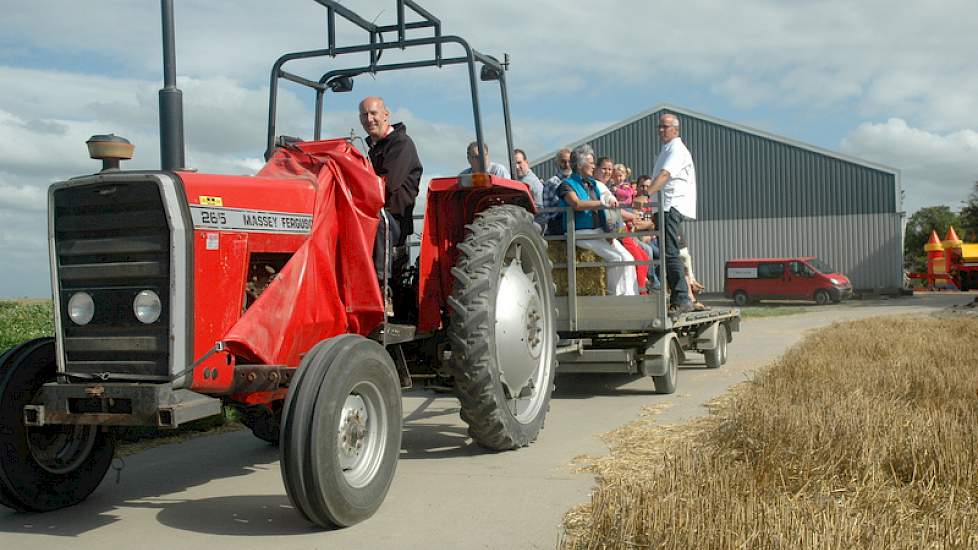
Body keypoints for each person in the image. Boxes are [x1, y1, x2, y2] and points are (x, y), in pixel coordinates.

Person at [557, 144, 638, 296]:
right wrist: (602, 203)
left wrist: (610, 198)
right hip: (580, 232)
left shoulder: (593, 184)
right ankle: (615, 297)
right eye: (591, 162)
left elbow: (606, 195)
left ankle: (630, 295)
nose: (594, 166)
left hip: (599, 231)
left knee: (628, 258)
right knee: (615, 258)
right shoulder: (566, 185)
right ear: (580, 165)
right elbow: (576, 203)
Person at [359, 96, 423, 282]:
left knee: (377, 219)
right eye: (364, 115)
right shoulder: (370, 149)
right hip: (371, 214)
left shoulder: (401, 144)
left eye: (373, 113)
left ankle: (380, 285)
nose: (369, 119)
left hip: (393, 221)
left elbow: (386, 186)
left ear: (385, 115)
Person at [646, 113, 697, 314]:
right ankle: (677, 297)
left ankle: (682, 298)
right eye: (659, 126)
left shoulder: (677, 149)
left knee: (670, 253)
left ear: (675, 129)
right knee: (668, 254)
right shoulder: (666, 150)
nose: (661, 130)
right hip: (664, 207)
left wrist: (646, 194)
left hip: (671, 206)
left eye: (665, 127)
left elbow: (665, 175)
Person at [541, 148, 572, 233]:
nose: (567, 165)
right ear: (556, 163)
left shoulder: (579, 181)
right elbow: (546, 211)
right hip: (559, 225)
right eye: (563, 161)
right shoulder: (550, 183)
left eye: (569, 161)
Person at [514, 148, 544, 221]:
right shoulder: (517, 180)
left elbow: (540, 208)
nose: (516, 167)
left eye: (519, 162)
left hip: (536, 221)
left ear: (526, 162)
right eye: (513, 163)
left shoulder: (531, 182)